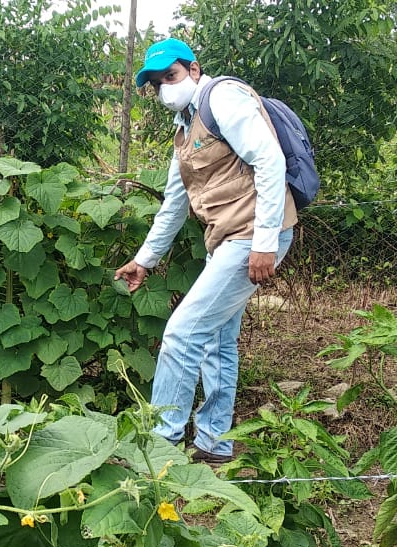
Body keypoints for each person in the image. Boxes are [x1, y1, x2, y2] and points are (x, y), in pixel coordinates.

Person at [114, 38, 298, 464]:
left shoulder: (224, 99)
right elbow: (174, 203)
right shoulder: (185, 128)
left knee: (182, 332)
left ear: (193, 70)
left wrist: (265, 243)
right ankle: (215, 444)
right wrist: (145, 260)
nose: (166, 88)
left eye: (171, 76)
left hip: (252, 236)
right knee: (217, 341)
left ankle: (159, 448)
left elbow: (270, 161)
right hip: (229, 238)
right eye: (157, 83)